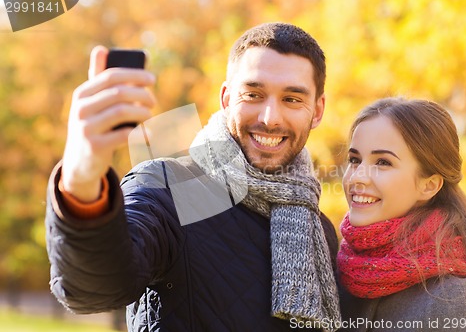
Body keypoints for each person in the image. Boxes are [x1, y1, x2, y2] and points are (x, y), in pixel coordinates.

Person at [45, 22, 342, 331]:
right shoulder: (170, 187)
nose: (270, 118)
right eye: (253, 94)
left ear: (317, 110)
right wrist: (81, 181)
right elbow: (94, 288)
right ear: (226, 99)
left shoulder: (318, 227)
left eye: (292, 99)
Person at [337, 97, 466, 331]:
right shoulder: (341, 271)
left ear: (429, 185)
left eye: (382, 162)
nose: (357, 177)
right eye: (354, 160)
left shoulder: (455, 300)